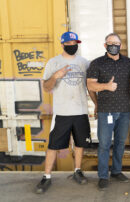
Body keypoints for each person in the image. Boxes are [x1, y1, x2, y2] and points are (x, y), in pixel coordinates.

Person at [36, 31, 95, 194]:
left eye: (74, 44)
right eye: (68, 44)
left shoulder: (84, 62)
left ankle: (77, 170)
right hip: (62, 112)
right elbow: (47, 87)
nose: (72, 46)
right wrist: (56, 75)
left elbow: (91, 86)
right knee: (53, 145)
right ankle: (46, 177)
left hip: (81, 110)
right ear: (62, 44)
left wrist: (96, 105)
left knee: (80, 144)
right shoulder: (53, 62)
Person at [86, 33, 130, 190]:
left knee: (120, 143)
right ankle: (103, 175)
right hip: (106, 111)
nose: (113, 45)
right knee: (105, 144)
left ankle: (116, 171)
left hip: (124, 111)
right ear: (105, 45)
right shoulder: (97, 63)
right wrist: (106, 87)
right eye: (110, 43)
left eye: (116, 43)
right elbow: (90, 85)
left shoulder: (128, 62)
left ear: (121, 45)